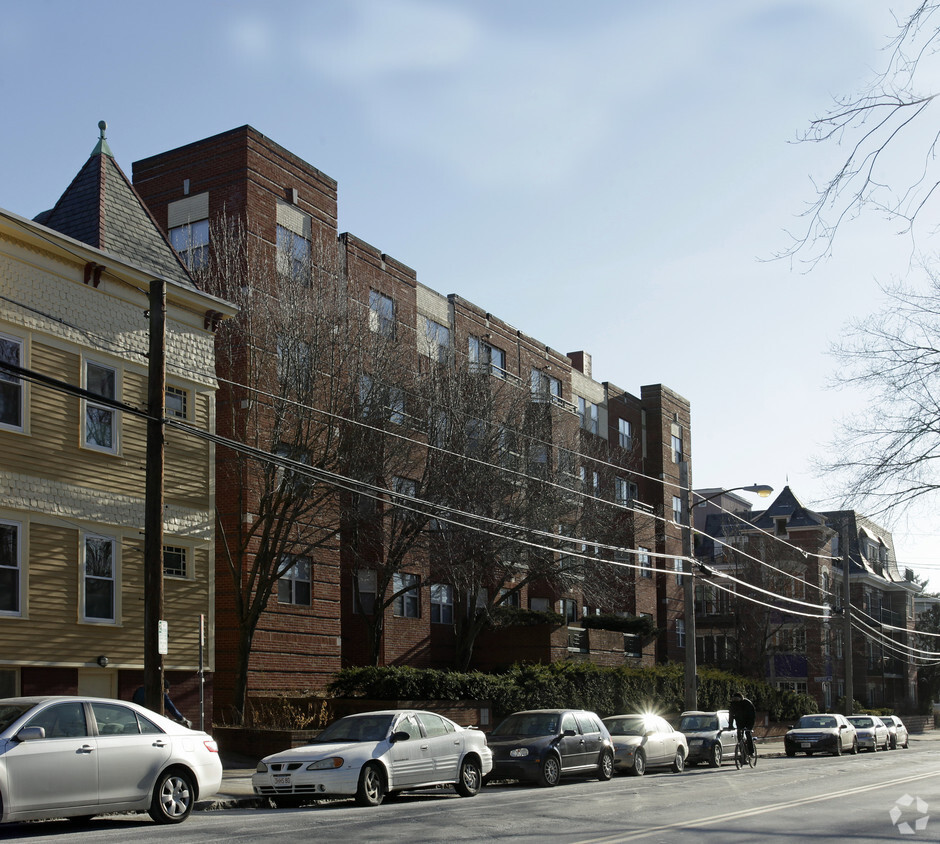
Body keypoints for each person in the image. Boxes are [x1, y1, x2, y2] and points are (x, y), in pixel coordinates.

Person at [728, 691, 756, 757]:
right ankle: (742, 751)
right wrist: (730, 725)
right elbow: (731, 715)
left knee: (748, 733)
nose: (735, 700)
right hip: (739, 722)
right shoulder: (733, 704)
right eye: (734, 699)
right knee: (739, 735)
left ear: (740, 698)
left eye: (737, 699)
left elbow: (752, 715)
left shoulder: (747, 703)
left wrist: (750, 726)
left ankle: (751, 752)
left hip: (748, 721)